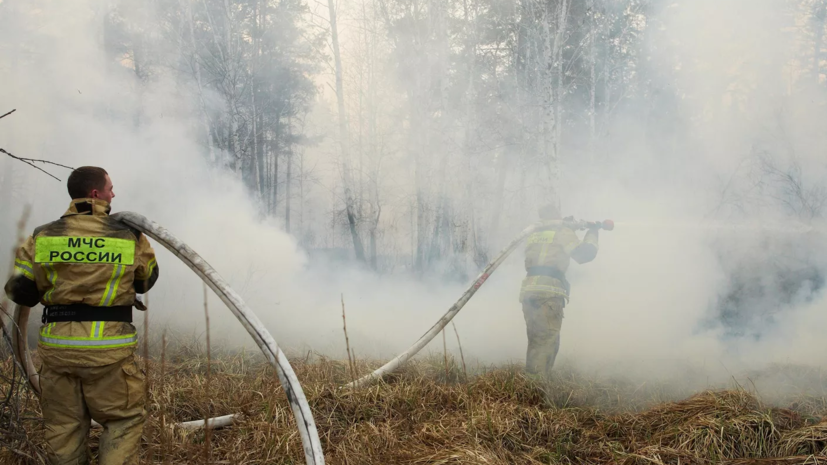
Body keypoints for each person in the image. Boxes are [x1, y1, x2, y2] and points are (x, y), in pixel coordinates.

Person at [4, 166, 159, 464]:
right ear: (95, 193)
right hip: (109, 351)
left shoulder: (43, 235)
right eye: (110, 188)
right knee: (121, 422)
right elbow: (146, 281)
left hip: (58, 349)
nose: (114, 194)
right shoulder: (128, 235)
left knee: (63, 427)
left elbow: (20, 291)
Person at [519, 203, 598, 379]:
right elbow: (584, 255)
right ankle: (537, 387)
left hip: (529, 291)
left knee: (535, 340)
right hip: (548, 294)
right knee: (547, 342)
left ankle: (530, 383)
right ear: (556, 215)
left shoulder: (535, 233)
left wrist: (569, 226)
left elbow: (550, 250)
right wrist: (593, 232)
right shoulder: (561, 231)